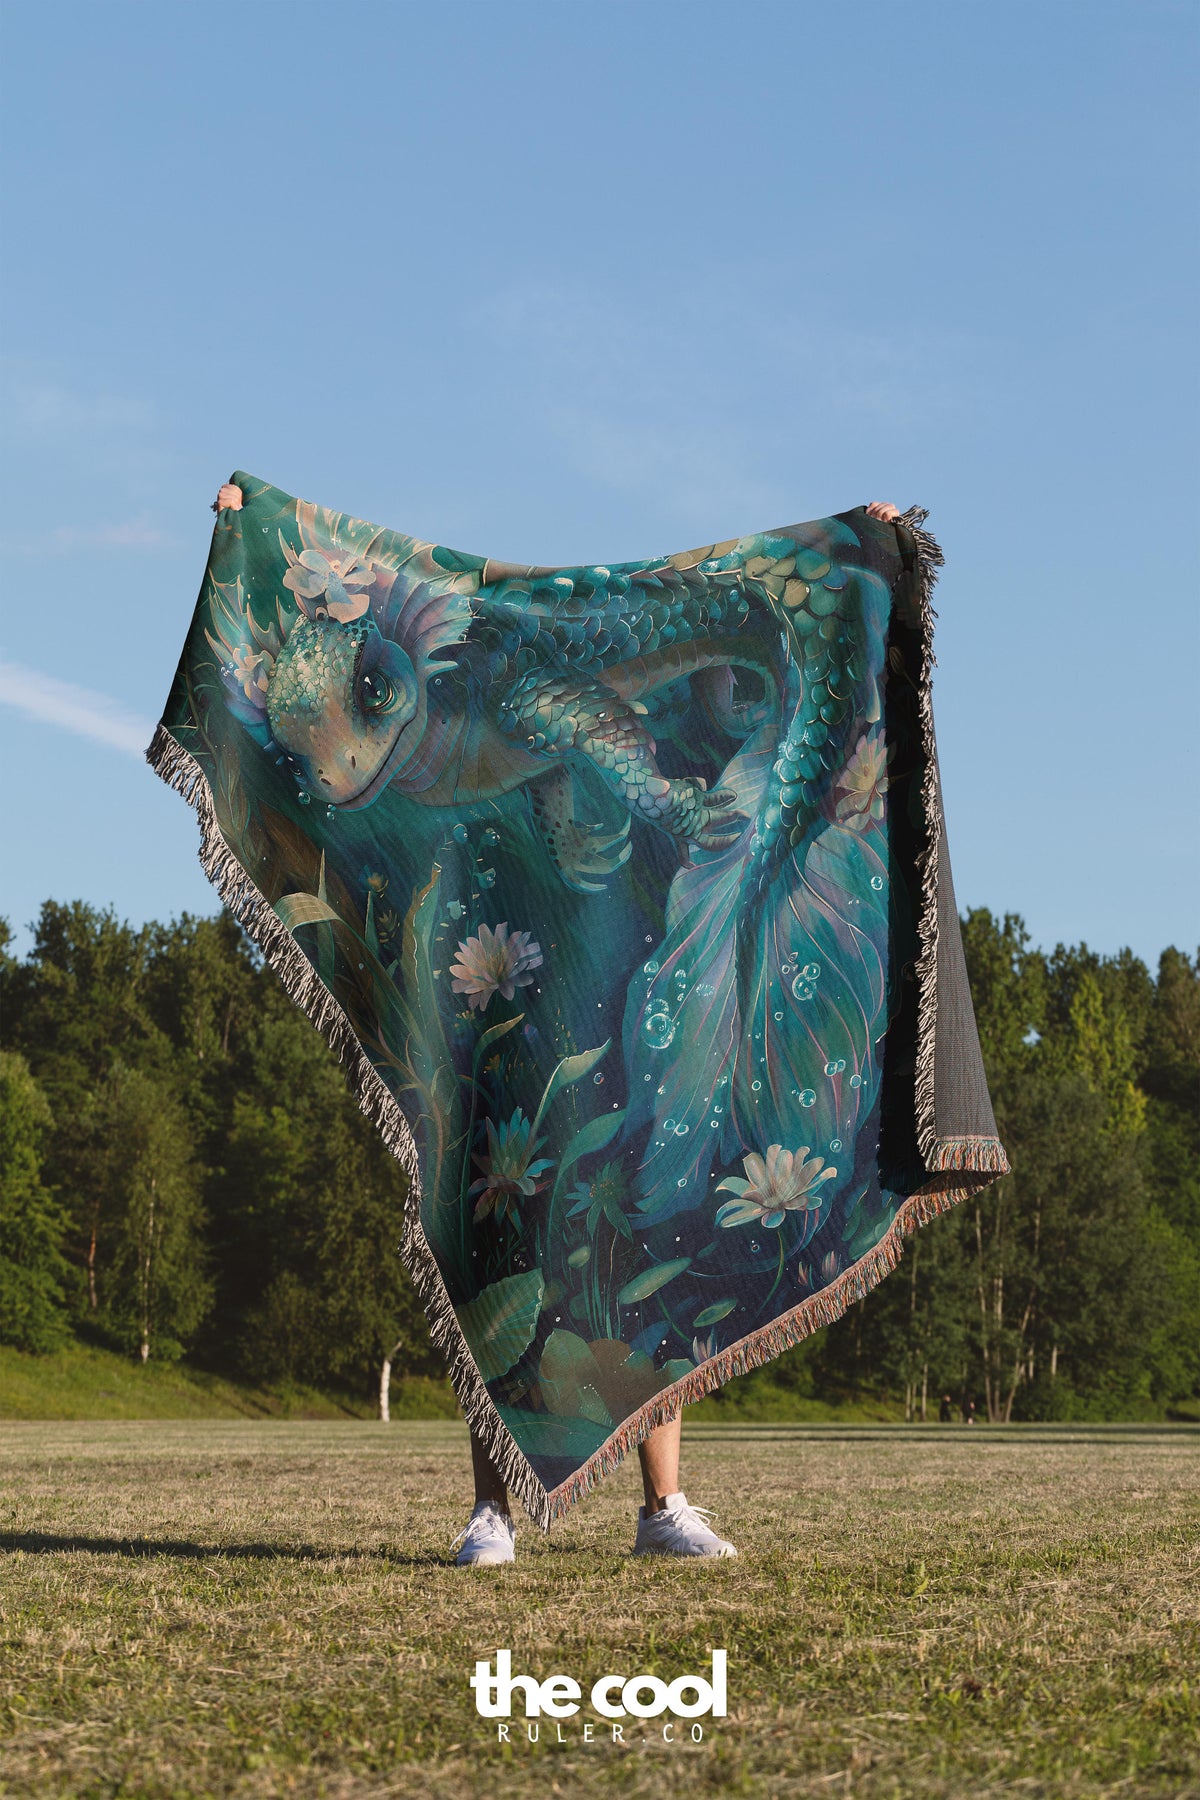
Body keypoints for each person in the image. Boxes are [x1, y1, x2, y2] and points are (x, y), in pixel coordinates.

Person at [212, 482, 902, 1565]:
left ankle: (661, 1505)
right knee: (496, 1240)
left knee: (631, 1228)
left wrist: (861, 539)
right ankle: (493, 1507)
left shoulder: (499, 690)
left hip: (607, 968)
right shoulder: (405, 729)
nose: (322, 769)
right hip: (495, 1002)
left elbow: (576, 722)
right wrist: (245, 521)